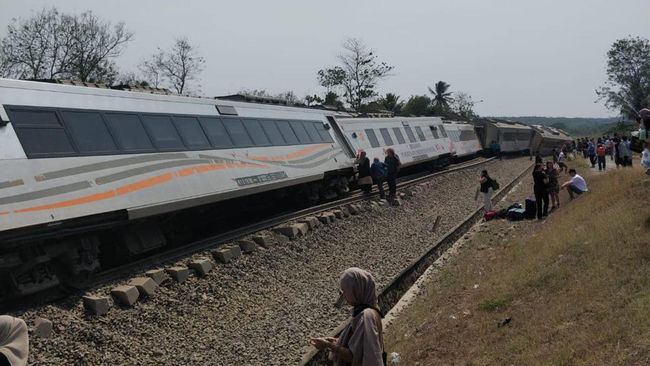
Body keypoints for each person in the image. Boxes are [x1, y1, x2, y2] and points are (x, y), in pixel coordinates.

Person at [309, 268, 384, 366]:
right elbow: (361, 344)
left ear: (356, 290)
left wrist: (328, 345)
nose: (343, 296)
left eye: (344, 291)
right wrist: (336, 341)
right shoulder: (368, 311)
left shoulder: (367, 316)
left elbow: (354, 356)